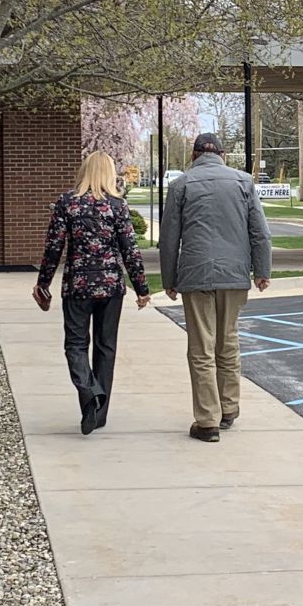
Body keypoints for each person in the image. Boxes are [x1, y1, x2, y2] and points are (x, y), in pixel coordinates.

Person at [159, 132, 272, 441]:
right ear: (223, 155)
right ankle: (229, 408)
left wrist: (169, 280)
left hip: (195, 274)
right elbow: (260, 232)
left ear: (194, 155)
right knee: (228, 340)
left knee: (201, 347)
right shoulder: (243, 182)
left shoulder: (180, 184)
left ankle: (207, 420)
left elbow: (169, 239)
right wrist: (262, 270)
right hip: (235, 273)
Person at [33, 152, 150, 435]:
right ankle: (99, 413)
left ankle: (89, 394)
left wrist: (43, 283)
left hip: (78, 286)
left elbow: (53, 247)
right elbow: (130, 250)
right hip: (111, 286)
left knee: (75, 345)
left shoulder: (67, 203)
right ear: (110, 174)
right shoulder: (117, 206)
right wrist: (141, 288)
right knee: (105, 347)